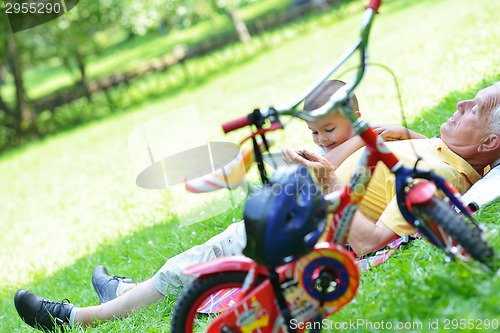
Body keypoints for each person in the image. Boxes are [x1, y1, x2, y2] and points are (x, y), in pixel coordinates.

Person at [13, 80, 366, 331]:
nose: (321, 140)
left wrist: (378, 131)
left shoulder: (369, 145)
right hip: (278, 227)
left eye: (328, 130)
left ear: (357, 116)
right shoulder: (349, 146)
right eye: (314, 133)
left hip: (288, 237)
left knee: (183, 269)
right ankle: (121, 292)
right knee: (184, 265)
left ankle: (77, 318)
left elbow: (356, 156)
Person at [282, 82, 500, 255]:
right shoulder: (445, 149)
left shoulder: (437, 177)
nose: (461, 103)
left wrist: (330, 184)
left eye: (474, 109)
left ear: (488, 143)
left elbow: (369, 243)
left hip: (296, 233)